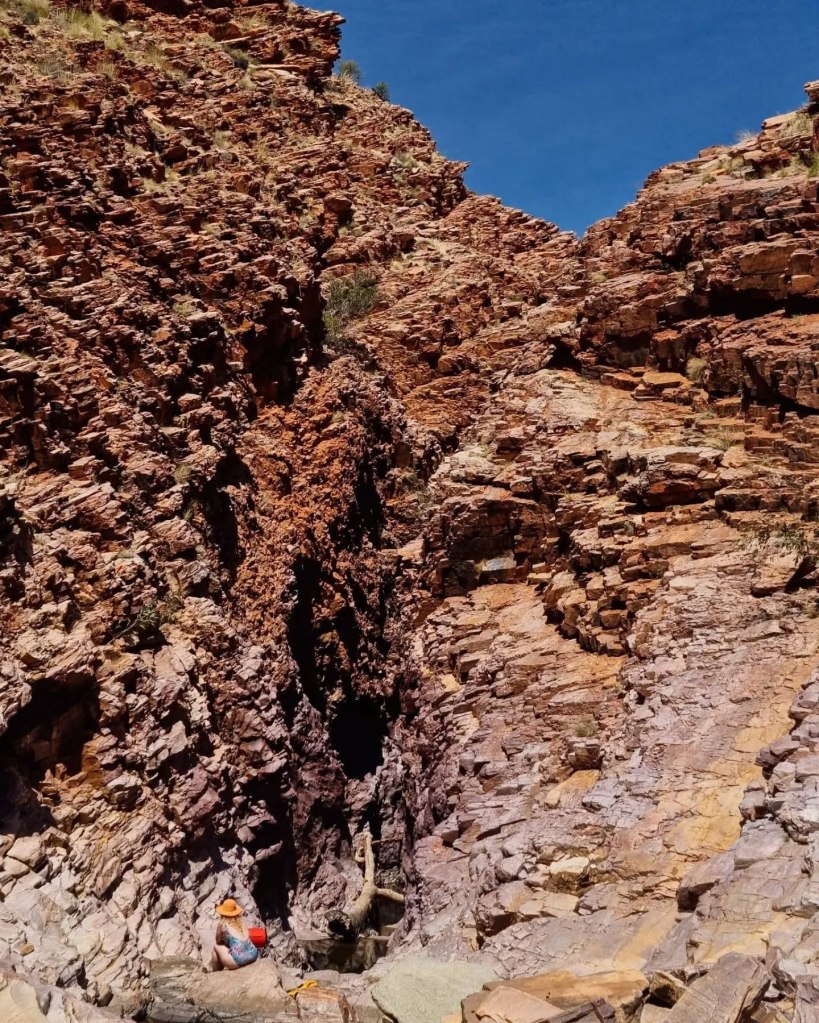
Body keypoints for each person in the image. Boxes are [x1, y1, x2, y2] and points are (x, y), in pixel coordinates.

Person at [210, 898, 259, 971]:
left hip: (239, 960)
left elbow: (218, 941)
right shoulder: (241, 921)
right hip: (253, 954)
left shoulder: (223, 923)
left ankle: (215, 972)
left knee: (216, 946)